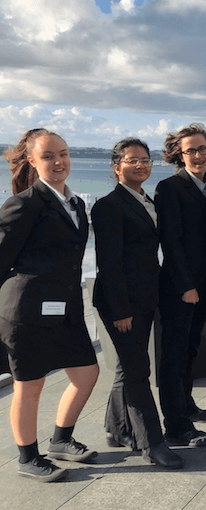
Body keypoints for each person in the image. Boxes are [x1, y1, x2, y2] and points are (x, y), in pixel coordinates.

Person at [0, 129, 100, 482]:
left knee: (88, 373)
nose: (58, 162)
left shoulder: (75, 203)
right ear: (32, 161)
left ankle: (61, 439)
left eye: (64, 153)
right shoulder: (24, 204)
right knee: (30, 384)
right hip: (26, 311)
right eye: (48, 156)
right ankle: (27, 457)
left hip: (67, 306)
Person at [91, 138, 183, 469]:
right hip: (122, 302)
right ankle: (152, 443)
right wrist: (121, 311)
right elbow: (109, 264)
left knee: (126, 367)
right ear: (117, 166)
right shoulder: (108, 205)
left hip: (145, 296)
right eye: (132, 160)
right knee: (137, 371)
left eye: (145, 160)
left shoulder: (145, 200)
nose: (141, 165)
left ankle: (116, 428)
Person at [154, 123, 206, 449]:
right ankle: (176, 427)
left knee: (191, 350)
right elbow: (172, 242)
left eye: (202, 148)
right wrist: (185, 285)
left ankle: (187, 406)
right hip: (182, 288)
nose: (197, 155)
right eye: (190, 150)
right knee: (174, 356)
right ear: (179, 155)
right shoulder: (170, 188)